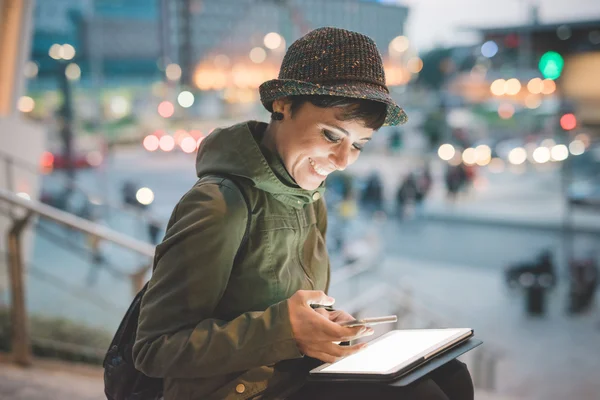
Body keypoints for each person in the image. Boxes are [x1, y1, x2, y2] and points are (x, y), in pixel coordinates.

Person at [132, 27, 473, 400]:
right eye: (331, 135)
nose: (343, 161)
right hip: (240, 392)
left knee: (451, 374)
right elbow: (155, 349)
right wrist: (286, 330)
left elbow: (280, 305)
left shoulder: (309, 197)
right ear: (283, 105)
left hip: (292, 375)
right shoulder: (220, 204)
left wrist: (323, 324)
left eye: (359, 144)